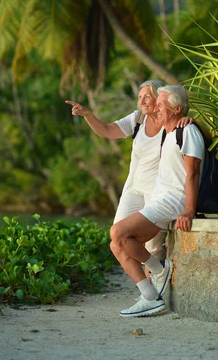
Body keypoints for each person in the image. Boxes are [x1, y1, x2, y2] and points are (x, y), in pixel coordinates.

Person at [65, 81, 192, 280]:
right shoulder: (138, 119)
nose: (141, 101)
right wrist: (87, 114)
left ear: (158, 98)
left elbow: (192, 137)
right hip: (133, 188)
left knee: (152, 245)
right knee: (119, 239)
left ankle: (156, 291)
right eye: (139, 97)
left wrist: (190, 120)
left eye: (147, 97)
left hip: (156, 191)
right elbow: (106, 130)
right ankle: (150, 287)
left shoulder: (172, 122)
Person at [109, 85, 205, 318]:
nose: (156, 107)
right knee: (117, 244)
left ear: (177, 108)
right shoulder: (169, 133)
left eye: (161, 104)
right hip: (159, 199)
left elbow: (193, 173)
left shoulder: (188, 132)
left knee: (118, 232)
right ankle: (150, 298)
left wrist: (189, 211)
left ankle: (159, 269)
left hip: (172, 202)